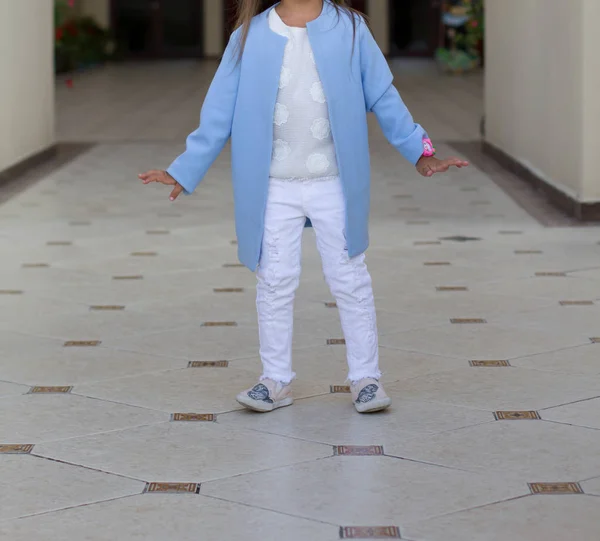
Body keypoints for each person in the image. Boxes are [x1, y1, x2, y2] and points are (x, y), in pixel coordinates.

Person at [139, 0, 468, 414]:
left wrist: (421, 152)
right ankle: (274, 380)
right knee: (274, 280)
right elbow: (219, 111)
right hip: (273, 184)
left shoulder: (350, 29)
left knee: (349, 277)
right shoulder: (249, 36)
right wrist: (183, 171)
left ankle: (366, 378)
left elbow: (383, 95)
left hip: (335, 181)